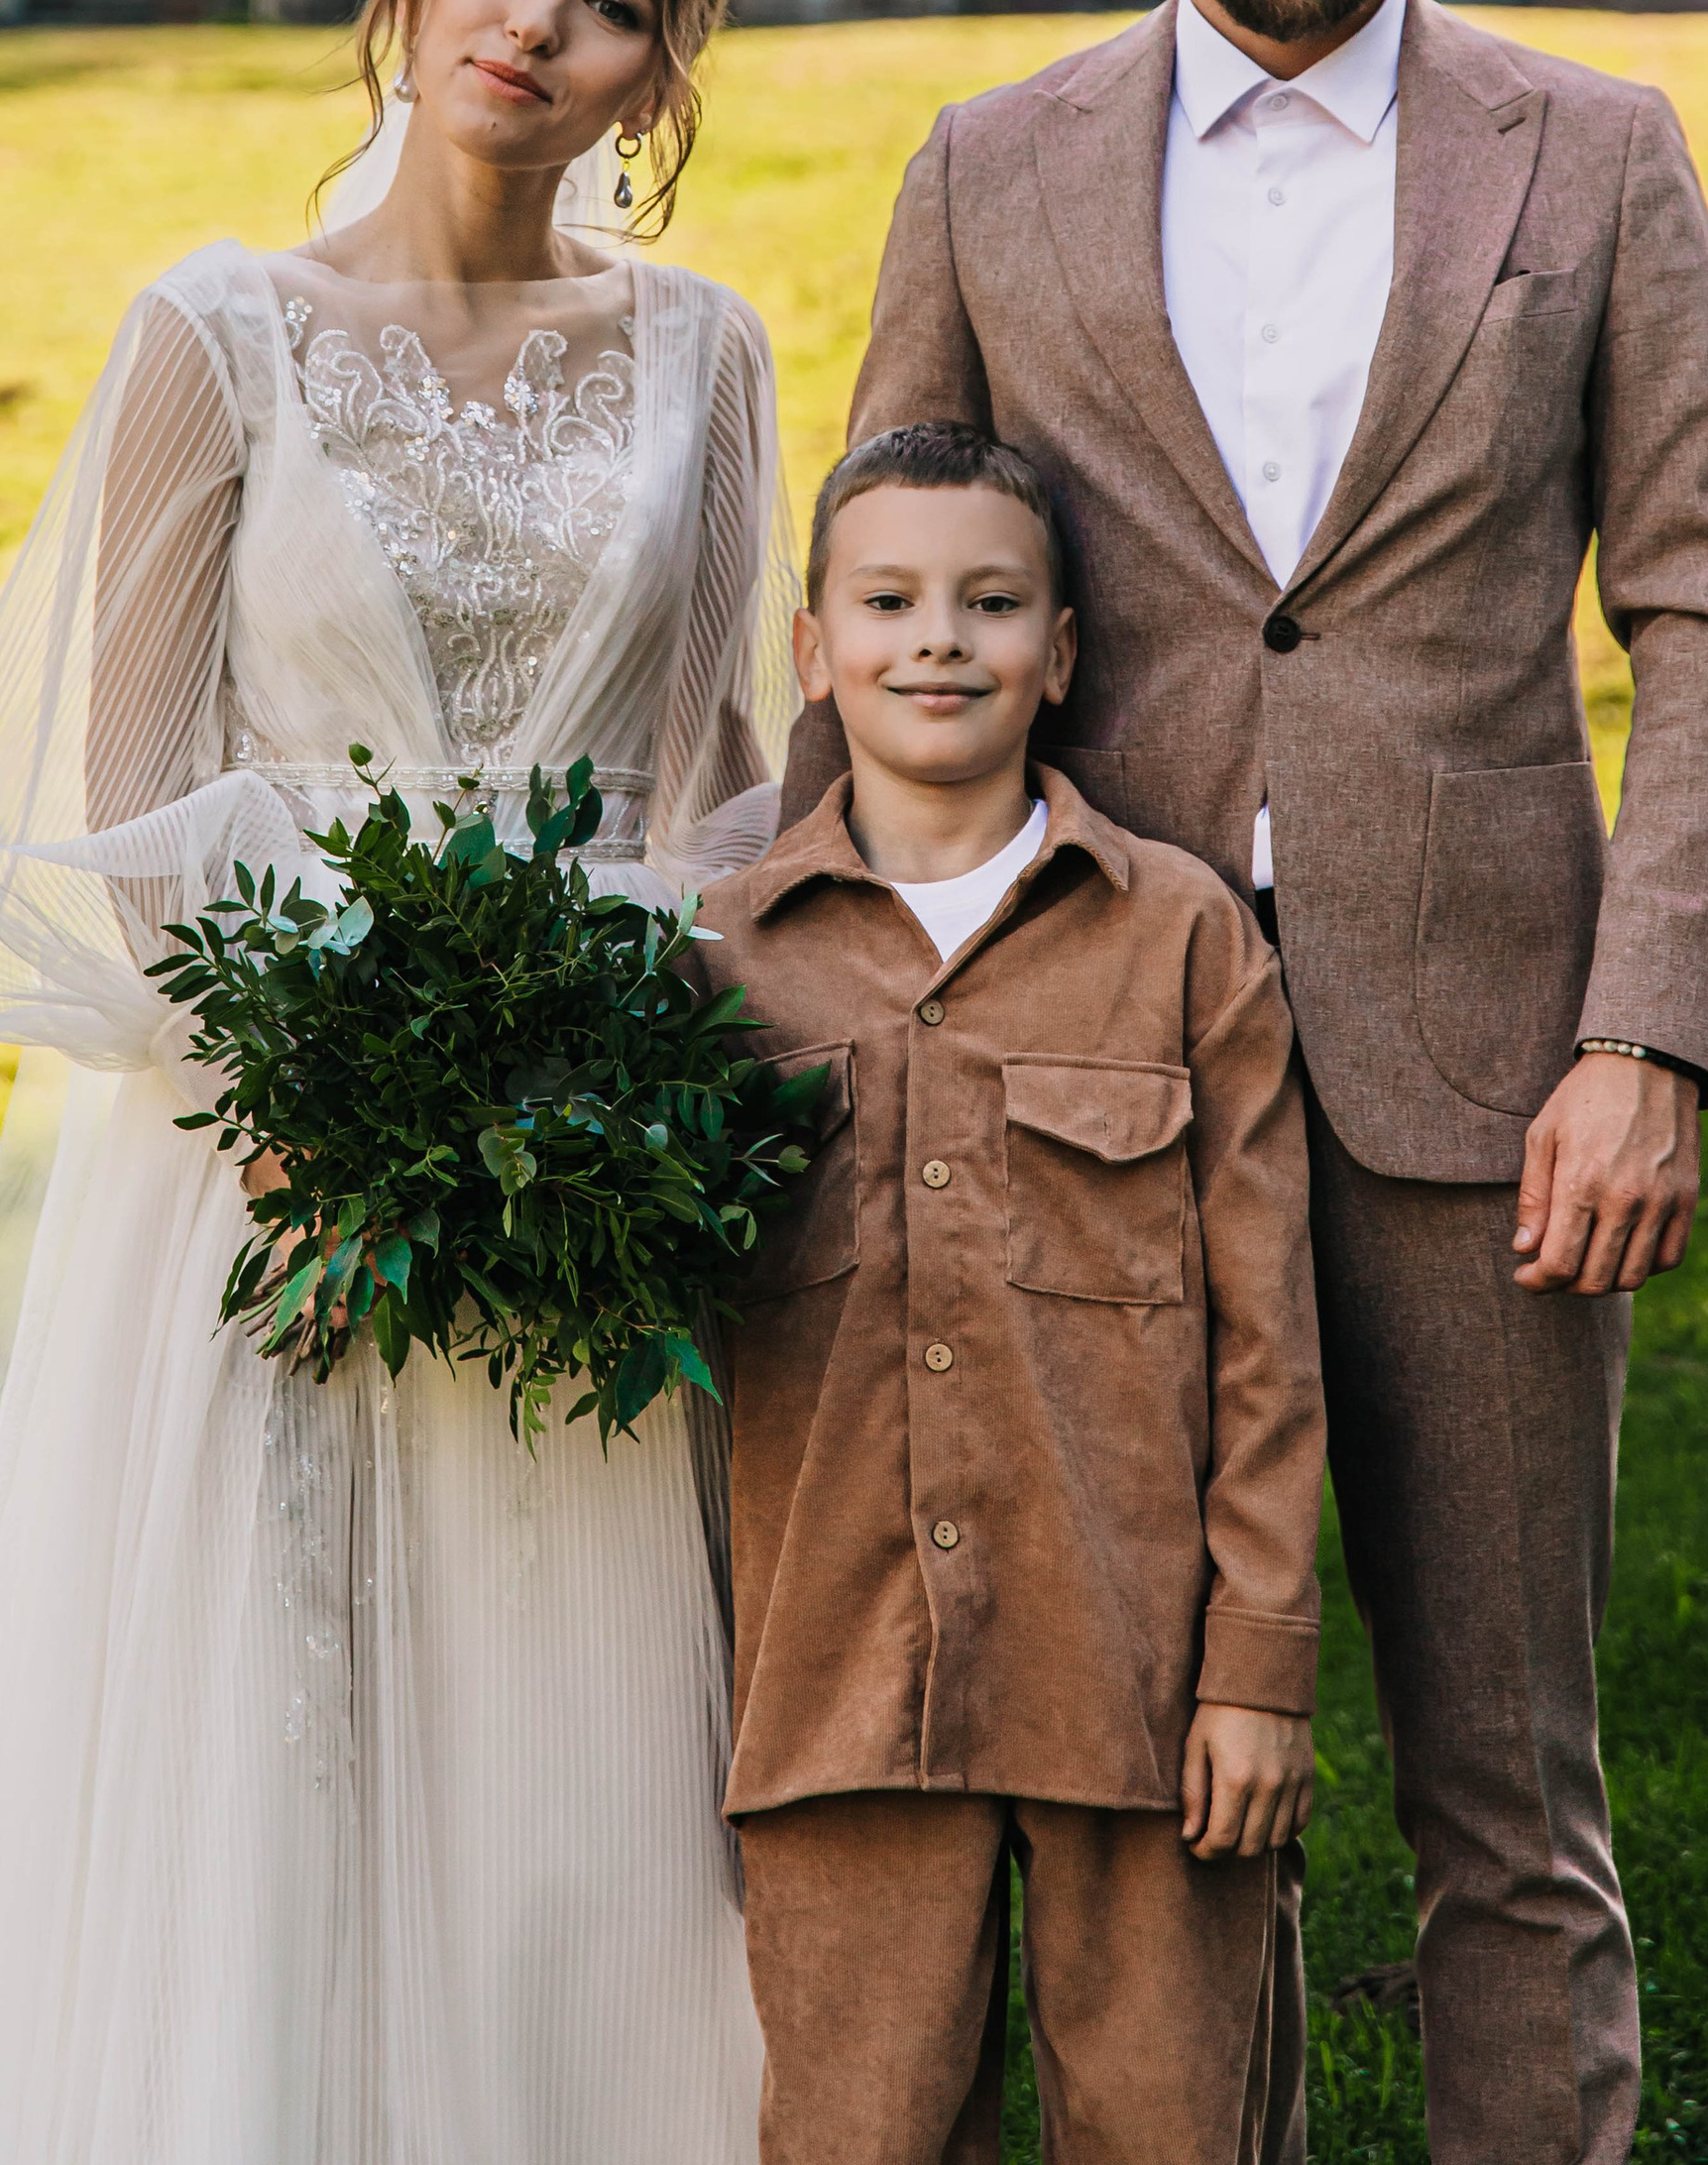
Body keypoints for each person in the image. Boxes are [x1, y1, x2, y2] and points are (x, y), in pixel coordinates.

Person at [784, 0, 1708, 2165]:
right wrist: (788, 1002)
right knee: (1152, 1791)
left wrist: (1646, 1035)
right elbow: (880, 594)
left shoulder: (1595, 153)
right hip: (1073, 1097)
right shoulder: (991, 169)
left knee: (1505, 1793)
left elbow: (1707, 613)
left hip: (1492, 1092)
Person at [0, 0, 795, 2165]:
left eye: (613, 0)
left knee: (558, 1741)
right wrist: (313, 1103)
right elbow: (131, 808)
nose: (539, 21)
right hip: (257, 1152)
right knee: (261, 1722)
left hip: (579, 1166)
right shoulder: (210, 333)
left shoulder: (702, 356)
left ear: (658, 76)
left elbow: (709, 778)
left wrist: (611, 1084)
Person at [697, 420, 1323, 2165]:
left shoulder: (1183, 937)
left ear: (1062, 649)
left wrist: (1258, 1667)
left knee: (1176, 2131)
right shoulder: (724, 966)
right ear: (814, 652)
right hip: (832, 1698)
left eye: (991, 600)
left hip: (1137, 1692)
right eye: (887, 599)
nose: (940, 639)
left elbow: (1270, 1343)